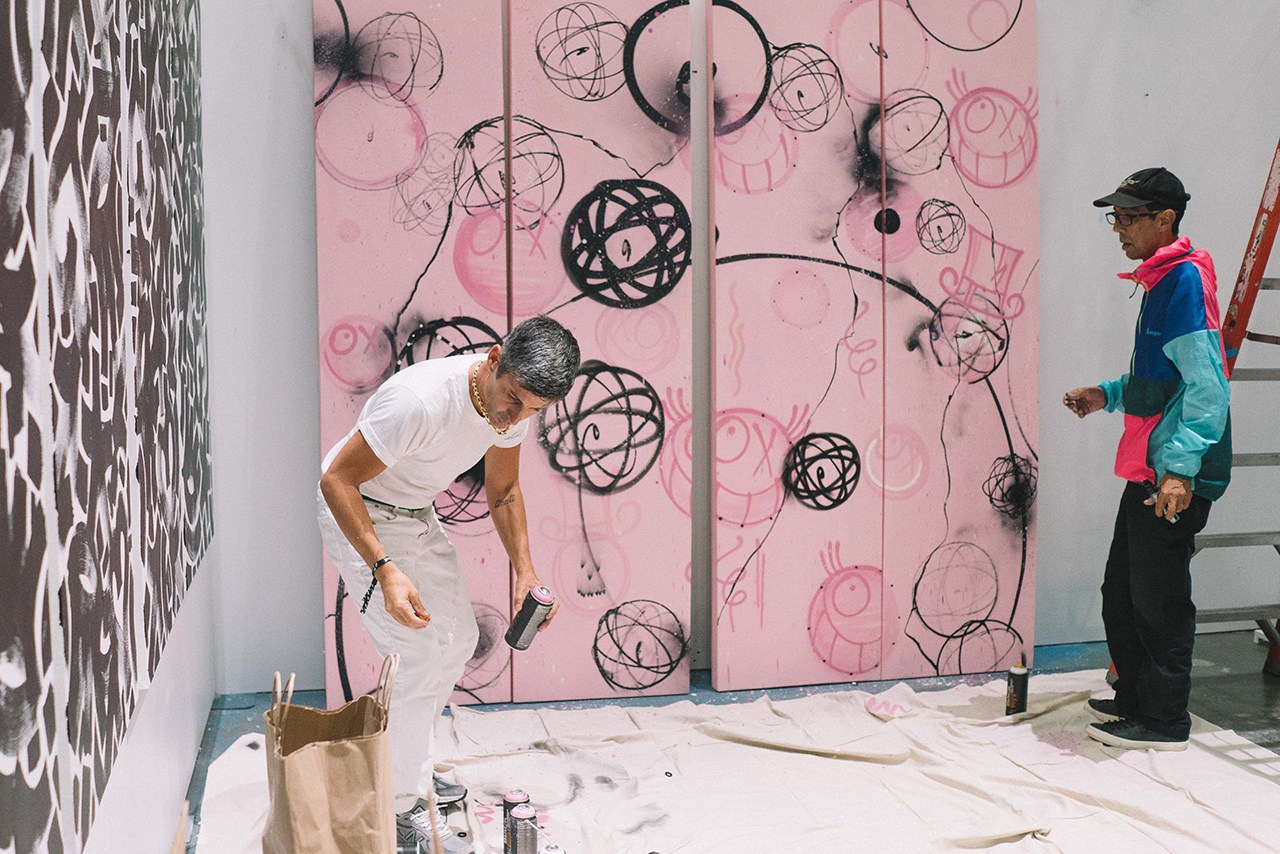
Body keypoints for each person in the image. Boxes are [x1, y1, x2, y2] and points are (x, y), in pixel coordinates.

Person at [318, 315, 580, 853]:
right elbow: (336, 480)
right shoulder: (419, 401)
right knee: (417, 658)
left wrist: (525, 571)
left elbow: (503, 490)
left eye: (532, 410)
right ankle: (399, 809)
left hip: (414, 512)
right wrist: (385, 569)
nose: (515, 417)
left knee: (459, 642)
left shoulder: (512, 410)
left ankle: (408, 771)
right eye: (514, 399)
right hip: (361, 512)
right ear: (493, 358)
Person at [1063, 167, 1231, 751]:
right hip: (1149, 470)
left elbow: (1207, 387)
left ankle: (1163, 721)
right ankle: (1135, 700)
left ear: (1166, 219)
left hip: (1174, 476)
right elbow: (1161, 381)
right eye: (1116, 217)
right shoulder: (1159, 282)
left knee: (1159, 601)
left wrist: (1180, 469)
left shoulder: (1184, 281)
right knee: (1122, 590)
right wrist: (1107, 395)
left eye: (1130, 217)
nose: (1119, 228)